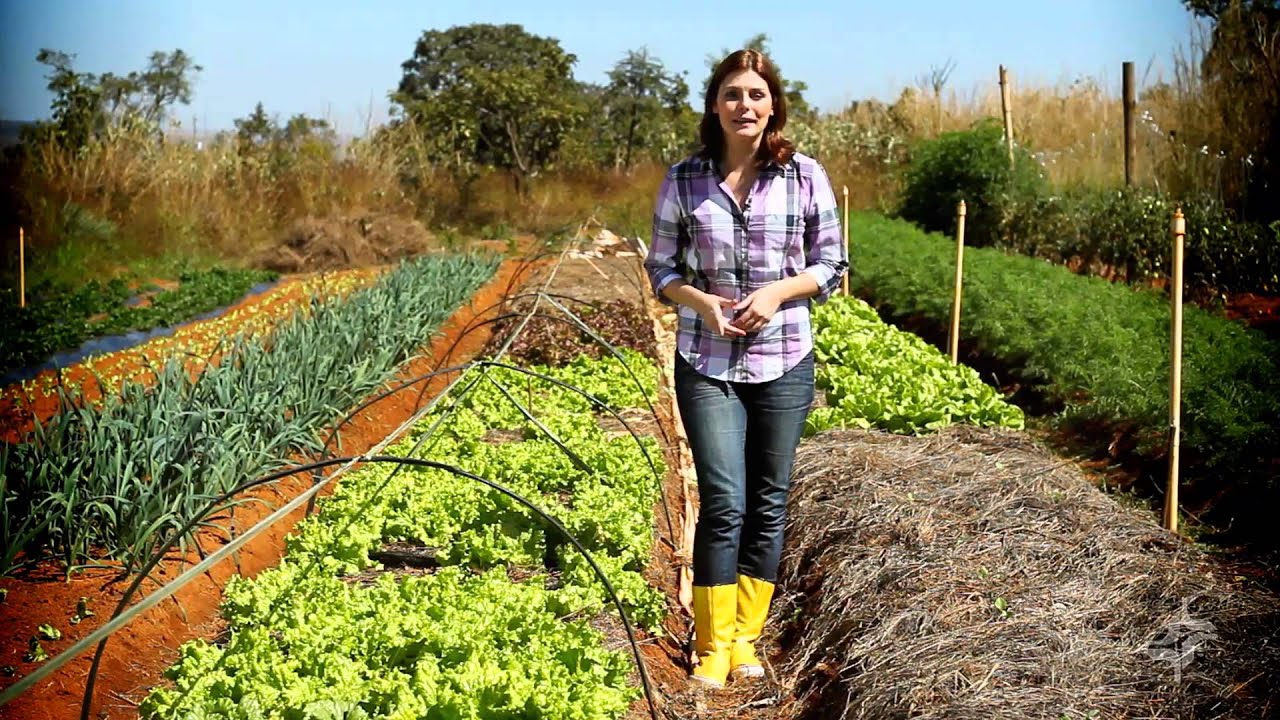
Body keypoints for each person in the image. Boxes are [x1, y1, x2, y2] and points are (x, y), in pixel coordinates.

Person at [644, 48, 848, 688]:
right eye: (733, 94)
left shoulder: (804, 175)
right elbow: (660, 268)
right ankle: (712, 644)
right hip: (705, 359)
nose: (745, 106)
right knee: (724, 497)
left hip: (784, 356)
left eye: (757, 95)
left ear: (773, 106)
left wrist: (777, 294)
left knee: (769, 498)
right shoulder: (684, 180)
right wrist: (700, 302)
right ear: (714, 104)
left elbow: (832, 264)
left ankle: (746, 638)